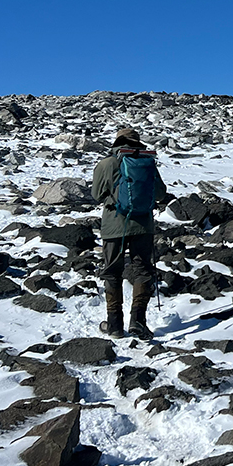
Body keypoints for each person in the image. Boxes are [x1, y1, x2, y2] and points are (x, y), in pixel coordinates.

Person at [92, 127, 167, 339]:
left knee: (112, 271)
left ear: (117, 142)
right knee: (142, 269)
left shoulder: (106, 163)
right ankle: (138, 322)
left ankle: (114, 324)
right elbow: (160, 193)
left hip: (114, 226)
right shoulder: (147, 163)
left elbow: (96, 194)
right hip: (143, 225)